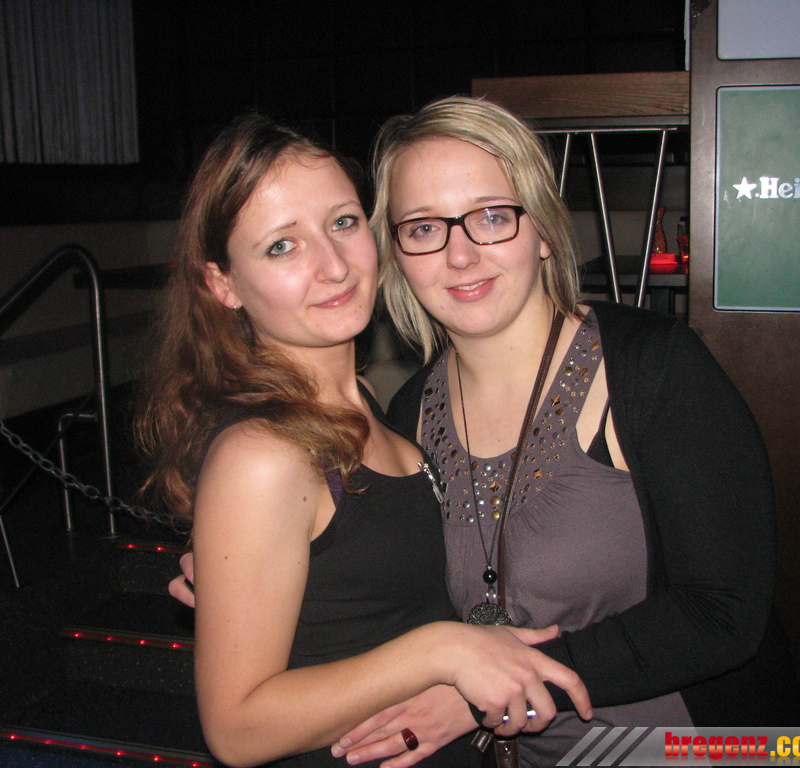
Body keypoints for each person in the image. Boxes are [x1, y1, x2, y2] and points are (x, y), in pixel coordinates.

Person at [170, 98, 800, 768]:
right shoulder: (412, 413)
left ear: (543, 230)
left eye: (492, 217)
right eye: (424, 228)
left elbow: (723, 612)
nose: (461, 255)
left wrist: (483, 690)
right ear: (397, 252)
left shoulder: (653, 369)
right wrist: (246, 573)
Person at [137, 111, 591, 768]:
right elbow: (236, 731)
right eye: (282, 246)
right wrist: (442, 651)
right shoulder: (262, 454)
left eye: (343, 223)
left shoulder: (379, 406)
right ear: (223, 284)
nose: (333, 266)